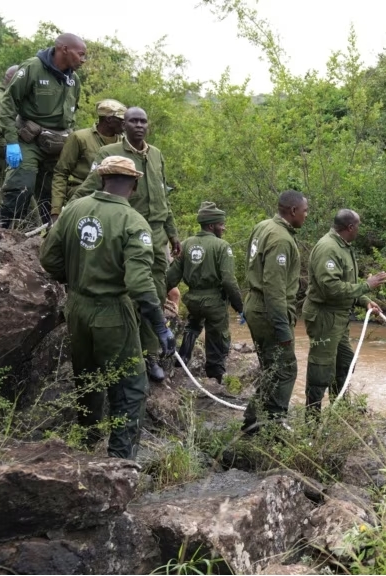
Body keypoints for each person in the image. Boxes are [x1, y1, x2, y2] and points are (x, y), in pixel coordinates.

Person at [38, 155, 175, 459]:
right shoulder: (133, 222)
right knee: (130, 386)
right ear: (135, 185)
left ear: (102, 179)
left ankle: (87, 444)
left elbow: (48, 258)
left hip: (76, 308)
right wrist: (160, 326)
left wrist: (76, 276)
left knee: (86, 378)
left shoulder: (75, 208)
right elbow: (140, 284)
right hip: (112, 311)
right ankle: (119, 462)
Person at [72, 107, 181, 382]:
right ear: (124, 125)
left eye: (143, 120)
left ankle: (150, 355)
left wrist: (173, 233)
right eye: (133, 120)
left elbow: (163, 200)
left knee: (153, 294)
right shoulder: (109, 155)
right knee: (123, 292)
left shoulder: (156, 155)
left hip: (154, 237)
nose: (139, 125)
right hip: (121, 232)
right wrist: (67, 215)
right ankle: (119, 353)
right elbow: (88, 189)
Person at [0, 33, 86, 229]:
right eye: (80, 54)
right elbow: (8, 105)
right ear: (64, 50)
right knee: (20, 188)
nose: (83, 60)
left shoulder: (73, 80)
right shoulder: (33, 68)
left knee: (51, 196)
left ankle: (42, 240)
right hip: (29, 141)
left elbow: (71, 114)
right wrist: (11, 142)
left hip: (57, 145)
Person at [302, 209, 386, 420]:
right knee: (321, 369)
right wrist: (367, 286)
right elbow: (330, 288)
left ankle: (339, 412)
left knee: (345, 362)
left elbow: (346, 285)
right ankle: (312, 421)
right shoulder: (328, 249)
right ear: (350, 227)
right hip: (324, 317)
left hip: (339, 318)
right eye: (358, 226)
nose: (359, 229)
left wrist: (365, 301)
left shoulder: (343, 247)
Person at [241, 190, 308, 432]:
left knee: (271, 366)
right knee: (286, 368)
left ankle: (253, 420)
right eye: (304, 210)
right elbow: (274, 287)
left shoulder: (263, 226)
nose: (306, 215)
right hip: (269, 311)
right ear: (293, 211)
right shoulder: (280, 238)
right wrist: (283, 329)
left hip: (255, 305)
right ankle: (273, 423)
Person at [167, 202, 243, 385]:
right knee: (218, 336)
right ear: (211, 225)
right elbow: (228, 281)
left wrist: (158, 299)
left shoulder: (185, 245)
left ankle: (182, 360)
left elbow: (170, 278)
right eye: (221, 224)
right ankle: (215, 377)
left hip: (192, 300)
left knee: (193, 325)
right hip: (214, 303)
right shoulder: (222, 246)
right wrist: (240, 307)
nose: (223, 228)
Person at [49, 99, 125, 221]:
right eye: (121, 120)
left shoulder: (123, 143)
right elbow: (61, 173)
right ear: (109, 120)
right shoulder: (80, 138)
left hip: (113, 193)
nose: (125, 124)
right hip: (82, 191)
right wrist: (56, 211)